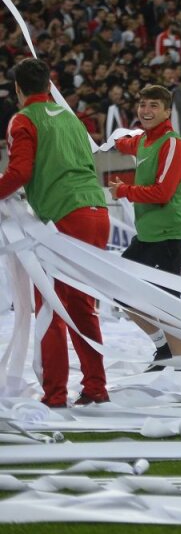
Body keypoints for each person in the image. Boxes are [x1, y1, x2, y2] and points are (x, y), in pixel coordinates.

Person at [0, 58, 110, 407]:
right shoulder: (72, 119)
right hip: (97, 210)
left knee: (50, 306)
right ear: (50, 85)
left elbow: (19, 172)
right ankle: (95, 387)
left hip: (63, 217)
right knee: (81, 306)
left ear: (18, 89)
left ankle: (55, 394)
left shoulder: (23, 120)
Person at [109, 85, 181, 371]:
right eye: (143, 104)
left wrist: (124, 191)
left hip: (169, 237)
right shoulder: (144, 140)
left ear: (168, 111)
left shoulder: (172, 144)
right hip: (147, 237)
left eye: (154, 105)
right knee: (118, 289)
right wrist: (111, 142)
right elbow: (128, 143)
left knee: (167, 304)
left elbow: (163, 193)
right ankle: (164, 349)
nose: (146, 110)